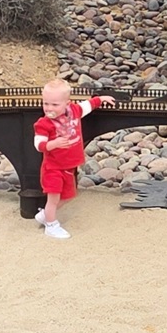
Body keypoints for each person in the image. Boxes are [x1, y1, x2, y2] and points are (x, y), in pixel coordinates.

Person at [32, 79, 116, 239]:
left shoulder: (74, 112)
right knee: (54, 198)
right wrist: (53, 144)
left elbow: (87, 106)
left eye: (55, 105)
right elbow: (38, 144)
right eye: (46, 103)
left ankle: (45, 215)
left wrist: (101, 99)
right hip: (53, 168)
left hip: (68, 166)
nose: (49, 108)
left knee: (68, 196)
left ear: (66, 103)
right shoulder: (43, 124)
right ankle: (51, 225)